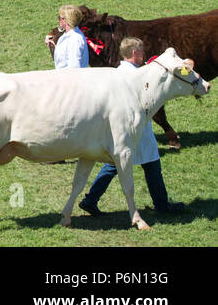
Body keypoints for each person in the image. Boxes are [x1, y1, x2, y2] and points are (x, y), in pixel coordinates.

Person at [79, 37, 186, 217]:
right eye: (142, 51)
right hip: (137, 127)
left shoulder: (118, 72)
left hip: (123, 127)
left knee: (114, 164)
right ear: (135, 53)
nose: (144, 54)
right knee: (151, 164)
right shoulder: (137, 74)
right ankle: (161, 204)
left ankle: (90, 199)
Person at [46, 4, 89, 69]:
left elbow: (74, 67)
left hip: (69, 78)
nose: (58, 20)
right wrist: (53, 46)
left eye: (60, 18)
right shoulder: (69, 34)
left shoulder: (75, 39)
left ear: (66, 20)